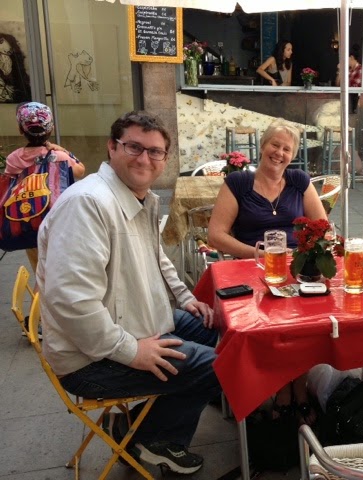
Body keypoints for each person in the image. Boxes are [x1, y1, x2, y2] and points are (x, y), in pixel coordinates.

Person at [36, 111, 220, 475]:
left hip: (135, 320)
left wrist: (185, 298)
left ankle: (140, 424)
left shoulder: (139, 197)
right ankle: (150, 439)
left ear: (165, 157)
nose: (144, 159)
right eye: (134, 147)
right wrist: (132, 351)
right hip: (89, 358)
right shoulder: (88, 204)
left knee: (223, 331)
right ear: (112, 147)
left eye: (155, 151)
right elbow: (70, 302)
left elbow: (156, 255)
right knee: (218, 366)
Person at [208, 118, 326, 424]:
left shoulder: (299, 181)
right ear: (262, 146)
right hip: (250, 269)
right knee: (271, 329)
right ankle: (282, 389)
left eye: (287, 149)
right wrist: (259, 254)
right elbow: (216, 235)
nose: (279, 153)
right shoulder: (238, 183)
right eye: (275, 145)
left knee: (303, 326)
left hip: (297, 268)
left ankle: (298, 387)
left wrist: (302, 255)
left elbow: (322, 227)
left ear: (293, 155)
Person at [5, 102, 85, 271]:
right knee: (60, 267)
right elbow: (80, 170)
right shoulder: (58, 156)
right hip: (57, 222)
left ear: (21, 130)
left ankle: (41, 285)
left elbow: (9, 180)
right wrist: (64, 151)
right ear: (51, 129)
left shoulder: (13, 158)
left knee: (39, 268)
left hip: (28, 222)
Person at [335, 45, 363, 113]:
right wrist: (340, 71)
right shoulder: (349, 70)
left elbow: (352, 87)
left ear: (351, 57)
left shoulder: (360, 69)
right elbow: (338, 84)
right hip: (347, 102)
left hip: (355, 104)